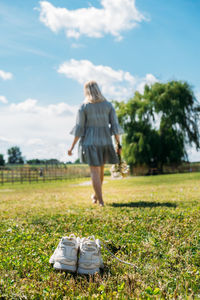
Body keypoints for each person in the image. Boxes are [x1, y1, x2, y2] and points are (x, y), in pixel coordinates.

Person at [68, 81, 123, 206]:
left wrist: (71, 147)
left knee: (94, 172)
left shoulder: (83, 106)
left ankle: (101, 201)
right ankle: (96, 196)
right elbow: (115, 127)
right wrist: (118, 144)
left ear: (86, 91)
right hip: (105, 141)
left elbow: (79, 128)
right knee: (101, 171)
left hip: (90, 142)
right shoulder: (109, 105)